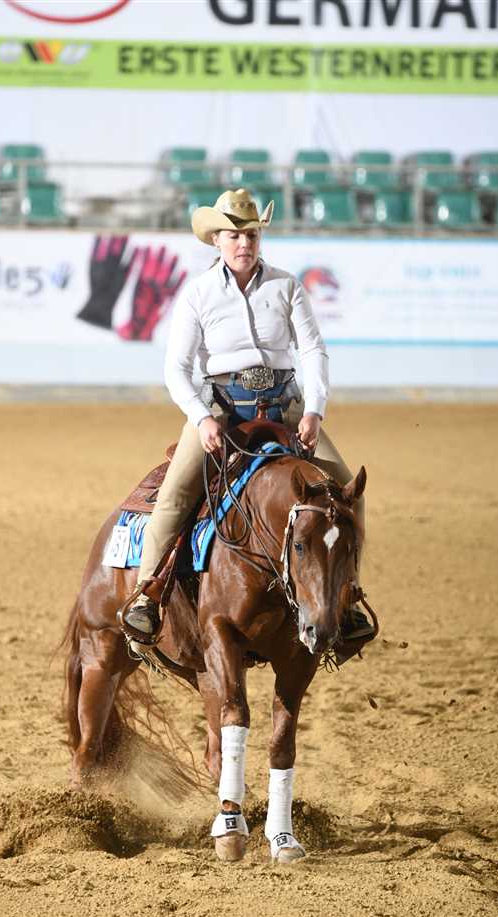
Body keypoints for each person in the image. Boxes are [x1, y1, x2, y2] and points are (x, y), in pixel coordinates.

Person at [122, 188, 374, 645]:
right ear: (216, 239)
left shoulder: (287, 286)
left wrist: (314, 411)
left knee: (347, 492)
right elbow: (176, 369)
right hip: (221, 408)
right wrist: (201, 418)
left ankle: (348, 597)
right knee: (175, 497)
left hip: (287, 406)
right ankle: (147, 595)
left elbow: (313, 351)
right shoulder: (198, 294)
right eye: (235, 235)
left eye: (252, 234)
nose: (244, 243)